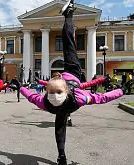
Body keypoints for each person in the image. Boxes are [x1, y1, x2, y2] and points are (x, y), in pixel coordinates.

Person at [20, 1, 123, 164]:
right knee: (68, 40)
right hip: (74, 71)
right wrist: (120, 91)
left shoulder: (46, 103)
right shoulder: (78, 97)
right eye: (56, 83)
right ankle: (69, 13)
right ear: (66, 89)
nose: (55, 78)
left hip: (62, 107)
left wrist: (20, 87)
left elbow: (31, 96)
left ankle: (61, 155)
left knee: (59, 129)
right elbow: (99, 96)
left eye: (51, 86)